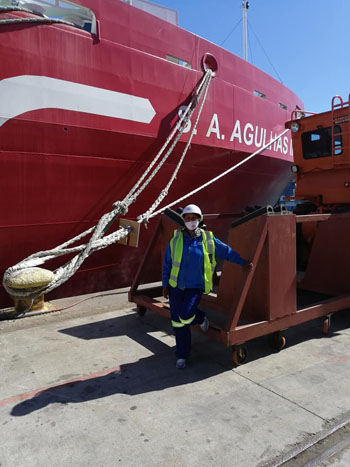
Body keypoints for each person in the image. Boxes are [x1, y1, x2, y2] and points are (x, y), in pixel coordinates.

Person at [162, 203, 253, 369]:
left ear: (199, 220)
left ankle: (200, 317)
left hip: (195, 287)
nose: (191, 221)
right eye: (188, 218)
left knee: (186, 316)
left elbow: (226, 252)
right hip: (175, 287)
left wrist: (242, 262)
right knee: (177, 322)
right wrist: (165, 284)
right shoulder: (175, 240)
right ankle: (182, 355)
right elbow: (167, 263)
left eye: (194, 218)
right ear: (183, 220)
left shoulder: (208, 239)